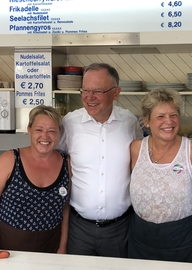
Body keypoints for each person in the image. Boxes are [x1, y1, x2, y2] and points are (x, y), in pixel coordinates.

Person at [56, 62, 142, 257]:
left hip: (121, 228)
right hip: (79, 229)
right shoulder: (69, 123)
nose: (89, 97)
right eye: (85, 90)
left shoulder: (129, 123)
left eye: (98, 91)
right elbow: (56, 161)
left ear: (116, 92)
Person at [128, 88, 192, 262]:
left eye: (173, 115)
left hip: (184, 241)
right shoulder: (135, 148)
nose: (168, 122)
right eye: (160, 116)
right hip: (140, 240)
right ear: (146, 121)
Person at [0, 105, 71, 253]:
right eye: (39, 130)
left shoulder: (67, 163)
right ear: (29, 130)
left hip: (50, 246)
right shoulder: (9, 160)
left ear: (59, 133)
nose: (45, 136)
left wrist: (62, 247)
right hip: (8, 245)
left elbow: (66, 208)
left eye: (52, 131)